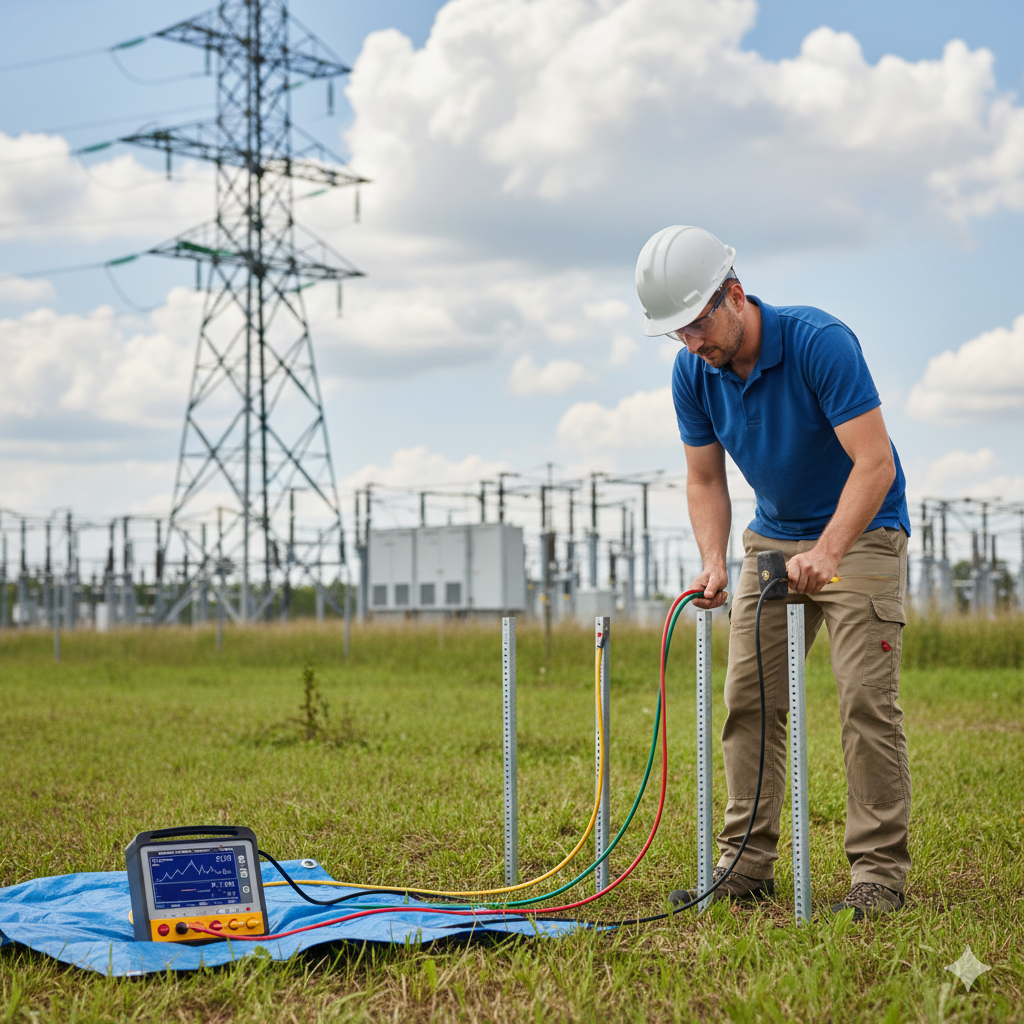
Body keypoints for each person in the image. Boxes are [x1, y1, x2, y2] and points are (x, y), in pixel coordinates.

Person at [635, 225, 912, 921]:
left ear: (734, 294)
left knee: (863, 704)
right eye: (677, 334)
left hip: (863, 532)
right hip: (771, 537)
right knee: (749, 700)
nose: (693, 343)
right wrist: (712, 560)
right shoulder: (693, 372)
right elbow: (704, 480)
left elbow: (874, 464)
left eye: (698, 324)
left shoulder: (820, 343)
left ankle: (878, 873)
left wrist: (828, 551)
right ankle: (744, 864)